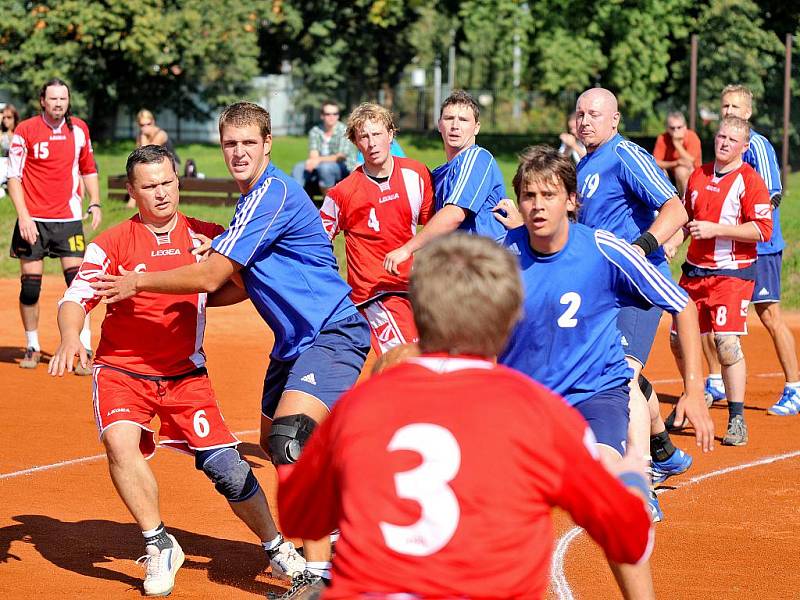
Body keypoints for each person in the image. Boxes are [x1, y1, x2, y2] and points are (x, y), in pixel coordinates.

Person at [91, 102, 371, 598]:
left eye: (248, 142)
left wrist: (141, 283)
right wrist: (181, 300)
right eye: (230, 144)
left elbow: (212, 276)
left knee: (291, 441)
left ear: (267, 143)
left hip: (333, 331)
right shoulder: (249, 202)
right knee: (274, 443)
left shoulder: (274, 192)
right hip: (291, 347)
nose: (238, 152)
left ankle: (323, 576)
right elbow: (224, 286)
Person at [277, 233, 655, 600]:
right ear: (508, 322)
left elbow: (298, 512)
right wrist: (634, 478)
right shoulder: (539, 413)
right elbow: (626, 533)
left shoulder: (359, 406)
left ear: (420, 317)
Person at [47, 145, 306, 596]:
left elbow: (248, 279)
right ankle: (158, 543)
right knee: (119, 440)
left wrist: (214, 286)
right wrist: (72, 336)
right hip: (122, 371)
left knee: (227, 469)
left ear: (178, 182)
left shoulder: (208, 235)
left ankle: (277, 547)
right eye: (149, 186)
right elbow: (75, 298)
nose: (161, 193)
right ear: (131, 191)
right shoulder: (111, 243)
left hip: (185, 375)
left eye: (167, 182)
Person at [493, 146, 711, 598]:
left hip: (594, 396)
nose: (537, 205)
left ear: (572, 200)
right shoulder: (499, 259)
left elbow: (682, 305)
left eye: (549, 195)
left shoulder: (603, 249)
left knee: (608, 498)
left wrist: (693, 391)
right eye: (529, 195)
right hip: (528, 403)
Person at [573, 87, 693, 497]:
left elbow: (675, 208)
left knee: (622, 378)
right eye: (580, 114)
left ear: (615, 119)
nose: (585, 121)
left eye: (594, 114)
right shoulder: (585, 162)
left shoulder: (626, 155)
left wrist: (641, 248)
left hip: (637, 287)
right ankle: (664, 452)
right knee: (613, 372)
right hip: (603, 291)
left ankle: (639, 486)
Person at [666, 116, 773, 446]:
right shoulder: (699, 175)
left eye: (731, 139)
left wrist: (718, 229)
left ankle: (737, 417)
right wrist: (673, 241)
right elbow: (686, 218)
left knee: (726, 342)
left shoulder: (750, 180)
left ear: (744, 146)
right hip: (695, 271)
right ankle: (691, 396)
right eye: (720, 136)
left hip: (731, 273)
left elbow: (762, 230)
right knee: (676, 340)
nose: (723, 142)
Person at [700, 85, 800, 417]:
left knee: (769, 315)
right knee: (712, 313)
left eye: (736, 106)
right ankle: (715, 380)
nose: (729, 109)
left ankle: (794, 388)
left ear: (748, 113)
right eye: (724, 104)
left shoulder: (756, 145)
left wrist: (750, 225)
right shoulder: (723, 149)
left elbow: (772, 194)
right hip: (729, 248)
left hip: (761, 246)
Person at [320, 102, 434, 355]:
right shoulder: (342, 192)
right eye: (364, 137)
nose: (372, 143)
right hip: (374, 295)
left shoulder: (416, 174)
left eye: (377, 134)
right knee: (405, 360)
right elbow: (316, 242)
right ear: (355, 143)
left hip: (413, 288)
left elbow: (435, 227)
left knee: (433, 355)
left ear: (391, 135)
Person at [7, 78, 101, 374]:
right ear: (42, 102)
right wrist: (23, 215)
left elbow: (88, 168)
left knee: (78, 286)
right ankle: (32, 345)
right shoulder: (26, 131)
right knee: (30, 288)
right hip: (33, 220)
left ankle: (83, 347)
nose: (59, 103)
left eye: (63, 98)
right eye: (53, 98)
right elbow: (13, 177)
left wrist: (95, 201)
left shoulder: (79, 129)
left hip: (68, 220)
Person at [383, 90, 508, 276]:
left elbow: (454, 214)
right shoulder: (440, 173)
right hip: (457, 265)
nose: (455, 126)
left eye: (464, 120)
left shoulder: (477, 158)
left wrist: (407, 250)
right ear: (439, 124)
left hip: (485, 265)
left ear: (476, 127)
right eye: (449, 118)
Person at [291, 100, 356, 196]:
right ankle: (297, 200)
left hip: (343, 166)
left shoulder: (344, 131)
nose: (332, 117)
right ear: (322, 115)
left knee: (325, 168)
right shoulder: (316, 131)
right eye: (328, 114)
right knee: (298, 167)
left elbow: (341, 157)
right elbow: (313, 154)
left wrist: (317, 160)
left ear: (338, 115)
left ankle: (329, 204)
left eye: (335, 114)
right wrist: (315, 160)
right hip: (320, 165)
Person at [128, 109, 179, 208]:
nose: (145, 127)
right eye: (142, 125)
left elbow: (148, 155)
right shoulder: (140, 136)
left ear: (153, 122)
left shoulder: (160, 134)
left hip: (171, 164)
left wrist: (143, 139)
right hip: (154, 166)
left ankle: (133, 201)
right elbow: (138, 160)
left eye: (148, 124)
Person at [652, 111, 702, 198]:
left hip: (694, 176)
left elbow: (690, 161)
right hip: (671, 177)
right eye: (672, 128)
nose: (676, 130)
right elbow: (655, 162)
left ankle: (686, 202)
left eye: (679, 127)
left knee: (681, 171)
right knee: (658, 170)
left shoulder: (692, 137)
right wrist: (676, 163)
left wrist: (677, 143)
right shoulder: (663, 138)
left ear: (685, 127)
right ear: (667, 128)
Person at [0, 103, 20, 196]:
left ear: (14, 118)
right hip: (5, 164)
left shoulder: (20, 131)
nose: (6, 120)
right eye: (4, 118)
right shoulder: (2, 133)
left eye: (9, 117)